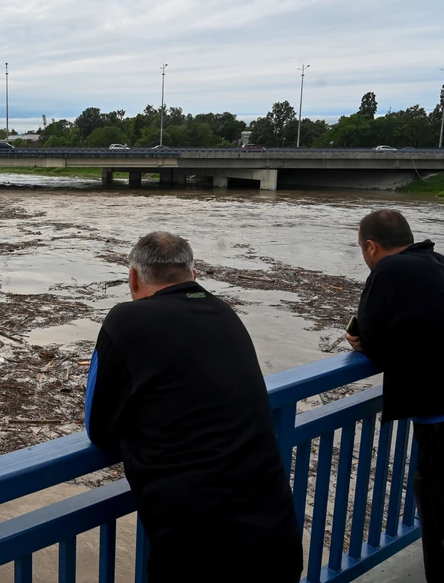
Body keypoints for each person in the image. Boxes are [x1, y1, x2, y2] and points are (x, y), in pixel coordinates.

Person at [85, 232, 302, 582]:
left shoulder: (125, 321)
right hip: (275, 536)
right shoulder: (226, 314)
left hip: (197, 549)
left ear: (133, 278)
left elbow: (98, 428)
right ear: (193, 274)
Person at [346, 209, 444, 583]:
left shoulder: (389, 271)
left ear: (370, 246)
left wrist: (359, 340)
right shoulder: (436, 261)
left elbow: (372, 336)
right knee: (440, 518)